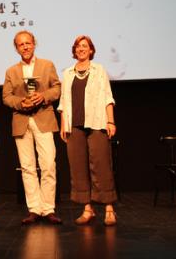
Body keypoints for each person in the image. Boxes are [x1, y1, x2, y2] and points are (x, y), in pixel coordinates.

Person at [2, 30, 62, 225]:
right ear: (16, 48)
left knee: (48, 165)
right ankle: (34, 209)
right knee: (27, 167)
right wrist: (21, 103)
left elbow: (57, 88)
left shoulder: (47, 65)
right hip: (22, 120)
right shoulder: (11, 71)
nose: (25, 47)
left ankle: (48, 208)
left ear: (34, 44)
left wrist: (43, 96)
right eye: (21, 44)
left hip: (44, 118)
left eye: (28, 43)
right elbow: (7, 97)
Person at [58, 35, 118, 226]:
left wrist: (111, 122)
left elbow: (108, 97)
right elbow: (63, 102)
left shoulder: (99, 70)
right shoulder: (67, 73)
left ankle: (109, 208)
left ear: (91, 50)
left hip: (97, 123)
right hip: (73, 125)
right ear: (74, 50)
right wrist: (63, 124)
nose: (81, 49)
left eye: (85, 46)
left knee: (101, 165)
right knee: (78, 167)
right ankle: (87, 209)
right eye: (78, 46)